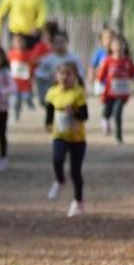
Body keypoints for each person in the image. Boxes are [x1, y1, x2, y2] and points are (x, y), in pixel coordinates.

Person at [44, 62, 88, 217]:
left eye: (68, 74)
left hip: (77, 138)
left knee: (75, 171)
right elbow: (49, 110)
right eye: (61, 73)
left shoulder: (78, 93)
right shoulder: (52, 92)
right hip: (60, 135)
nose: (65, 77)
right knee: (57, 159)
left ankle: (78, 201)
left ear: (75, 76)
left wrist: (74, 112)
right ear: (57, 76)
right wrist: (48, 123)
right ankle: (60, 179)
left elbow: (85, 115)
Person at [97, 34, 134, 143]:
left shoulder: (127, 61)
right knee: (106, 112)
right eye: (115, 44)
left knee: (117, 112)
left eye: (120, 44)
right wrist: (100, 87)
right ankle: (105, 121)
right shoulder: (108, 60)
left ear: (124, 46)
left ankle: (119, 137)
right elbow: (101, 75)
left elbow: (133, 73)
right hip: (109, 93)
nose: (118, 46)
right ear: (111, 47)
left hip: (122, 94)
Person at [88, 27, 114, 96]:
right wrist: (91, 75)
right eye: (107, 38)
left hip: (113, 82)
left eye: (112, 38)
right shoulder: (99, 53)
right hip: (100, 82)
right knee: (101, 100)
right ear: (101, 40)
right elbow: (92, 65)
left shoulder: (116, 54)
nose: (109, 40)